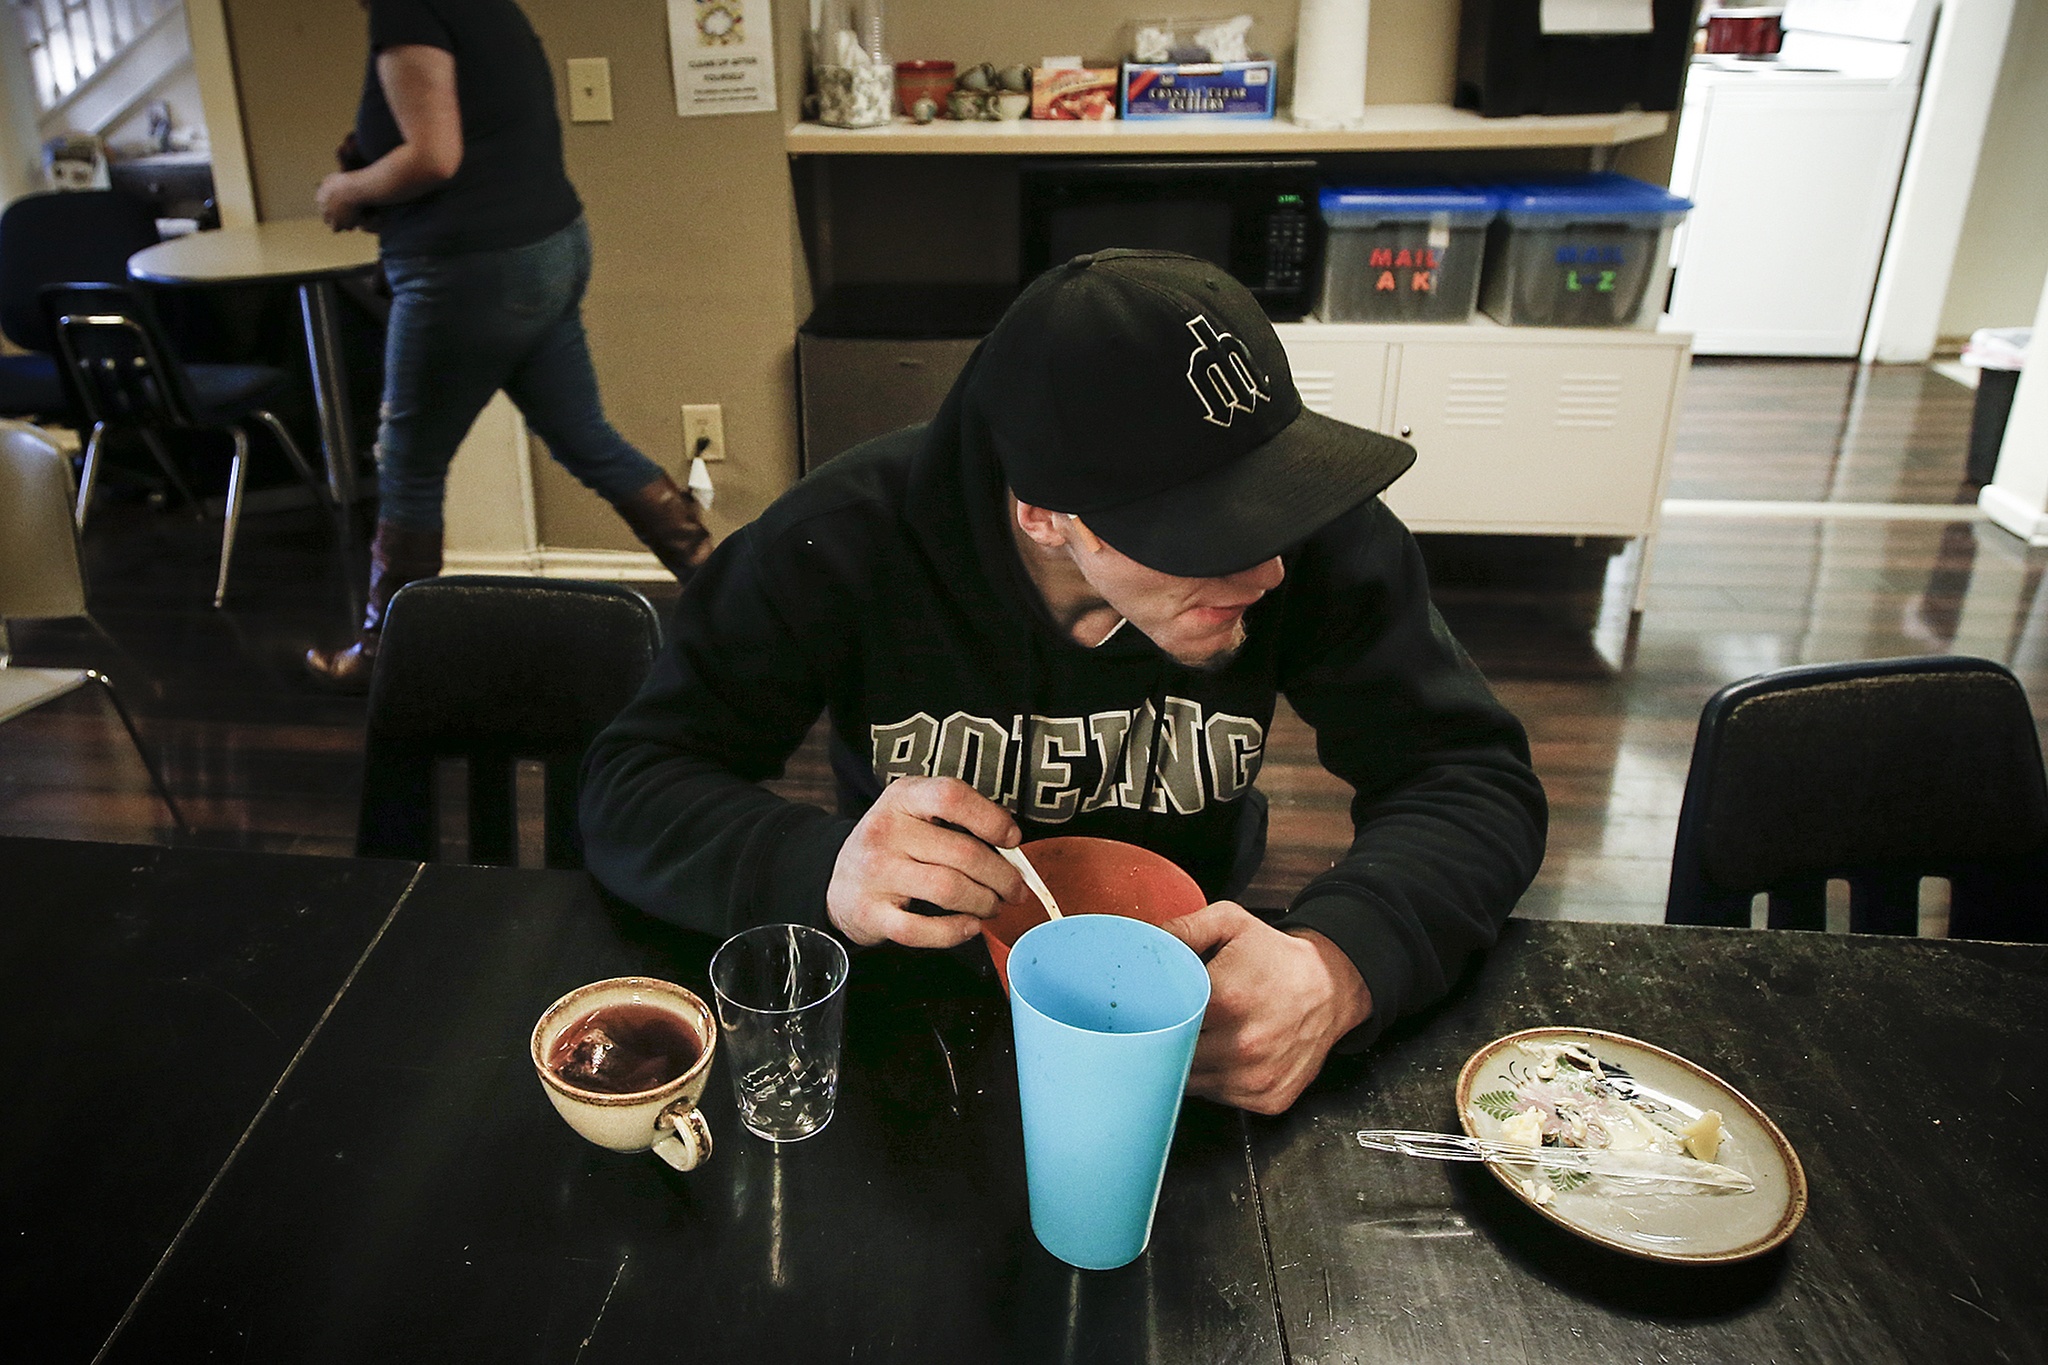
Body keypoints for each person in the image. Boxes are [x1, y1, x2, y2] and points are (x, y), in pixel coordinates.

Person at [581, 250, 1546, 1114]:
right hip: (913, 1003)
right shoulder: (839, 542)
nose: (1270, 574)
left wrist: (1341, 963)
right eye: (1206, 536)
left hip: (1188, 995)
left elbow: (1470, 774)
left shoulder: (1316, 534)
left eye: (1272, 510)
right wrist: (823, 867)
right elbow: (633, 781)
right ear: (1044, 513)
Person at [305, 0, 711, 691]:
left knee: (408, 463)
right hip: (546, 247)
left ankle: (382, 659)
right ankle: (725, 586)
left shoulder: (407, 9)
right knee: (585, 435)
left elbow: (436, 156)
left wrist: (347, 187)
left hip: (471, 271)